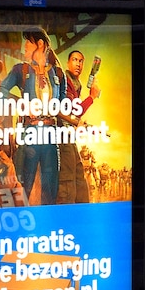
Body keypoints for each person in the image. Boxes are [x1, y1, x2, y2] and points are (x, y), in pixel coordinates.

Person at [0, 27, 64, 205]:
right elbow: (1, 91)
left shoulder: (58, 73)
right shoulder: (21, 70)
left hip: (51, 136)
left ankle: (49, 227)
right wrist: (22, 103)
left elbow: (63, 106)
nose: (24, 46)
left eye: (28, 41)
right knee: (23, 186)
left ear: (40, 44)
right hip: (29, 134)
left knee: (51, 188)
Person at [56, 50, 101, 204]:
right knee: (69, 180)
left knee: (79, 176)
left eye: (81, 61)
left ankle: (82, 213)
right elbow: (71, 110)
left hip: (68, 135)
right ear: (68, 63)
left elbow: (74, 113)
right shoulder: (65, 82)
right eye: (75, 60)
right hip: (61, 136)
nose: (78, 64)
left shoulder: (77, 85)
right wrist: (91, 97)